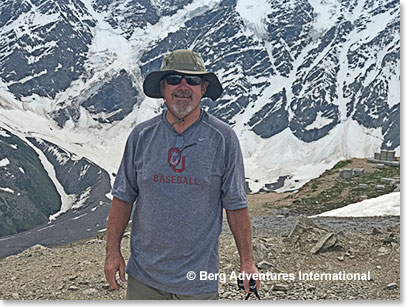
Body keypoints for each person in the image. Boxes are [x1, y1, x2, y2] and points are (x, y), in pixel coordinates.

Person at [104, 49, 260, 300]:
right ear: (163, 87)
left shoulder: (223, 138)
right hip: (144, 277)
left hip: (198, 280)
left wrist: (247, 262)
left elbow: (235, 204)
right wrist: (113, 253)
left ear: (204, 87)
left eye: (193, 80)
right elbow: (123, 198)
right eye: (175, 79)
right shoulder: (141, 137)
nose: (183, 87)